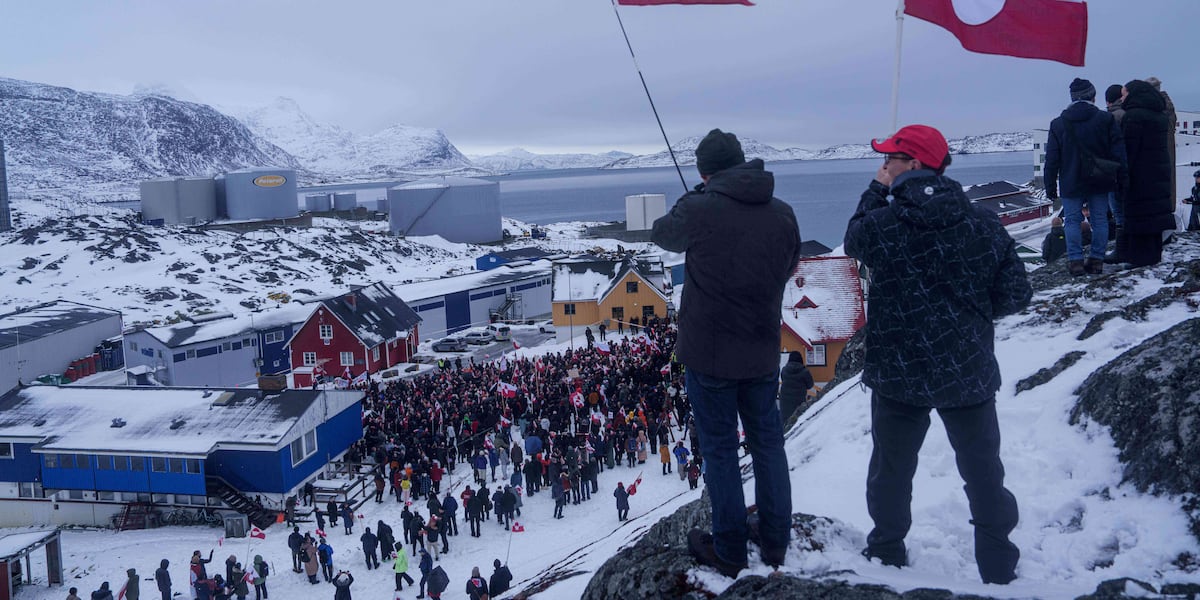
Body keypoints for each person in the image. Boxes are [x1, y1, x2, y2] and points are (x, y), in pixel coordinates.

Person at [844, 124, 1032, 584]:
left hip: (898, 372)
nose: (884, 164)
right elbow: (1015, 295)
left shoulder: (885, 225)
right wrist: (968, 317)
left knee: (891, 470)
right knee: (983, 472)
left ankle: (886, 553)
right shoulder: (983, 223)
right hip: (966, 370)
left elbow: (854, 240)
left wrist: (875, 188)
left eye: (891, 158)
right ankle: (997, 563)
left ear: (911, 165)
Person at [651, 128, 800, 577]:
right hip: (760, 351)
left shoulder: (699, 208)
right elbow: (790, 264)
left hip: (709, 355)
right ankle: (776, 540)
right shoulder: (783, 213)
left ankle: (731, 549)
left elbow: (662, 234)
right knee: (768, 444)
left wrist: (700, 197)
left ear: (705, 171)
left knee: (719, 451)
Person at [1043, 78, 1127, 275]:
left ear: (1072, 98)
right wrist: (1122, 177)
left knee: (1071, 220)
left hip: (1070, 180)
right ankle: (1097, 260)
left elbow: (1052, 158)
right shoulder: (1105, 119)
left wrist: (1050, 185)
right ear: (1093, 96)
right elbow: (1118, 152)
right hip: (1100, 178)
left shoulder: (1058, 124)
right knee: (1099, 220)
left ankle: (1075, 261)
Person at [1119, 79, 1176, 267]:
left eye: (1124, 93)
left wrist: (1123, 173)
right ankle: (1153, 254)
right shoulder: (1158, 114)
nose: (1122, 97)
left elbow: (1129, 149)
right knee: (1154, 214)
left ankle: (1138, 258)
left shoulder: (1133, 116)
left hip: (1140, 174)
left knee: (1139, 214)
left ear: (1134, 93)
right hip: (1157, 170)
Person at [778, 351, 815, 424]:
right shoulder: (805, 371)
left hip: (785, 400)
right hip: (799, 400)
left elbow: (783, 379)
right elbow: (810, 385)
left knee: (784, 421)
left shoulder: (784, 370)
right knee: (797, 420)